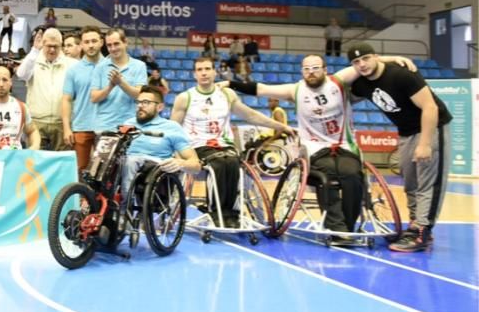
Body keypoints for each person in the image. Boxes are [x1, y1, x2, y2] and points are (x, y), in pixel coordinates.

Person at [224, 53, 405, 241]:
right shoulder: (295, 90)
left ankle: (347, 227)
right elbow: (261, 89)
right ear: (302, 72)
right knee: (326, 178)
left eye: (315, 68)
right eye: (307, 69)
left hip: (344, 147)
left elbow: (364, 64)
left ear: (325, 70)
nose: (311, 72)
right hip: (315, 150)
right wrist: (230, 84)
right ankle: (336, 227)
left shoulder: (339, 81)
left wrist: (393, 59)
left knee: (352, 176)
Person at [346, 42, 454, 252]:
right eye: (356, 62)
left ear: (375, 56)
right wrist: (387, 58)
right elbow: (340, 84)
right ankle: (415, 225)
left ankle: (422, 230)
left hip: (431, 127)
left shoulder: (402, 75)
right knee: (410, 182)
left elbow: (430, 107)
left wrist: (425, 144)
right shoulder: (362, 84)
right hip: (405, 131)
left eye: (366, 58)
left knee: (428, 183)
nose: (362, 64)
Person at [170, 57, 291, 227]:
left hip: (225, 145)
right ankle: (216, 210)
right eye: (199, 70)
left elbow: (250, 115)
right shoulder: (185, 97)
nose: (204, 73)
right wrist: (177, 154)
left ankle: (232, 213)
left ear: (214, 72)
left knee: (233, 162)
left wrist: (280, 126)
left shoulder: (227, 94)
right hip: (198, 146)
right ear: (194, 74)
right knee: (218, 164)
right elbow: (173, 128)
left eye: (207, 69)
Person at [121, 85, 201, 200]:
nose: (140, 106)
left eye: (146, 102)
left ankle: (124, 211)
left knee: (132, 161)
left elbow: (196, 165)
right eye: (138, 102)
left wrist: (180, 163)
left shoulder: (172, 128)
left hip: (153, 168)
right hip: (124, 165)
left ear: (159, 107)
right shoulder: (128, 124)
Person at [16, 28, 78, 150]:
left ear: (61, 45)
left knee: (61, 162)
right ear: (43, 44)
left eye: (56, 46)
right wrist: (34, 50)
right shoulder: (32, 60)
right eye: (49, 46)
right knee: (34, 164)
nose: (52, 50)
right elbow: (21, 75)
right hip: (36, 121)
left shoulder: (73, 64)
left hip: (62, 123)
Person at [90, 28, 149, 134]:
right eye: (109, 45)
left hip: (130, 125)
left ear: (125, 42)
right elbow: (94, 98)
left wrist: (121, 83)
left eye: (116, 44)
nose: (113, 48)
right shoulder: (99, 67)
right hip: (105, 126)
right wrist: (110, 86)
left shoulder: (139, 66)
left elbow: (140, 96)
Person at [62, 27, 104, 171]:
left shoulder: (111, 67)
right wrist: (67, 128)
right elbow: (66, 100)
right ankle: (81, 195)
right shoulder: (73, 70)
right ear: (81, 45)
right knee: (79, 170)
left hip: (106, 128)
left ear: (101, 42)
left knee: (104, 173)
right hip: (81, 127)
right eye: (86, 42)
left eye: (94, 41)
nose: (91, 45)